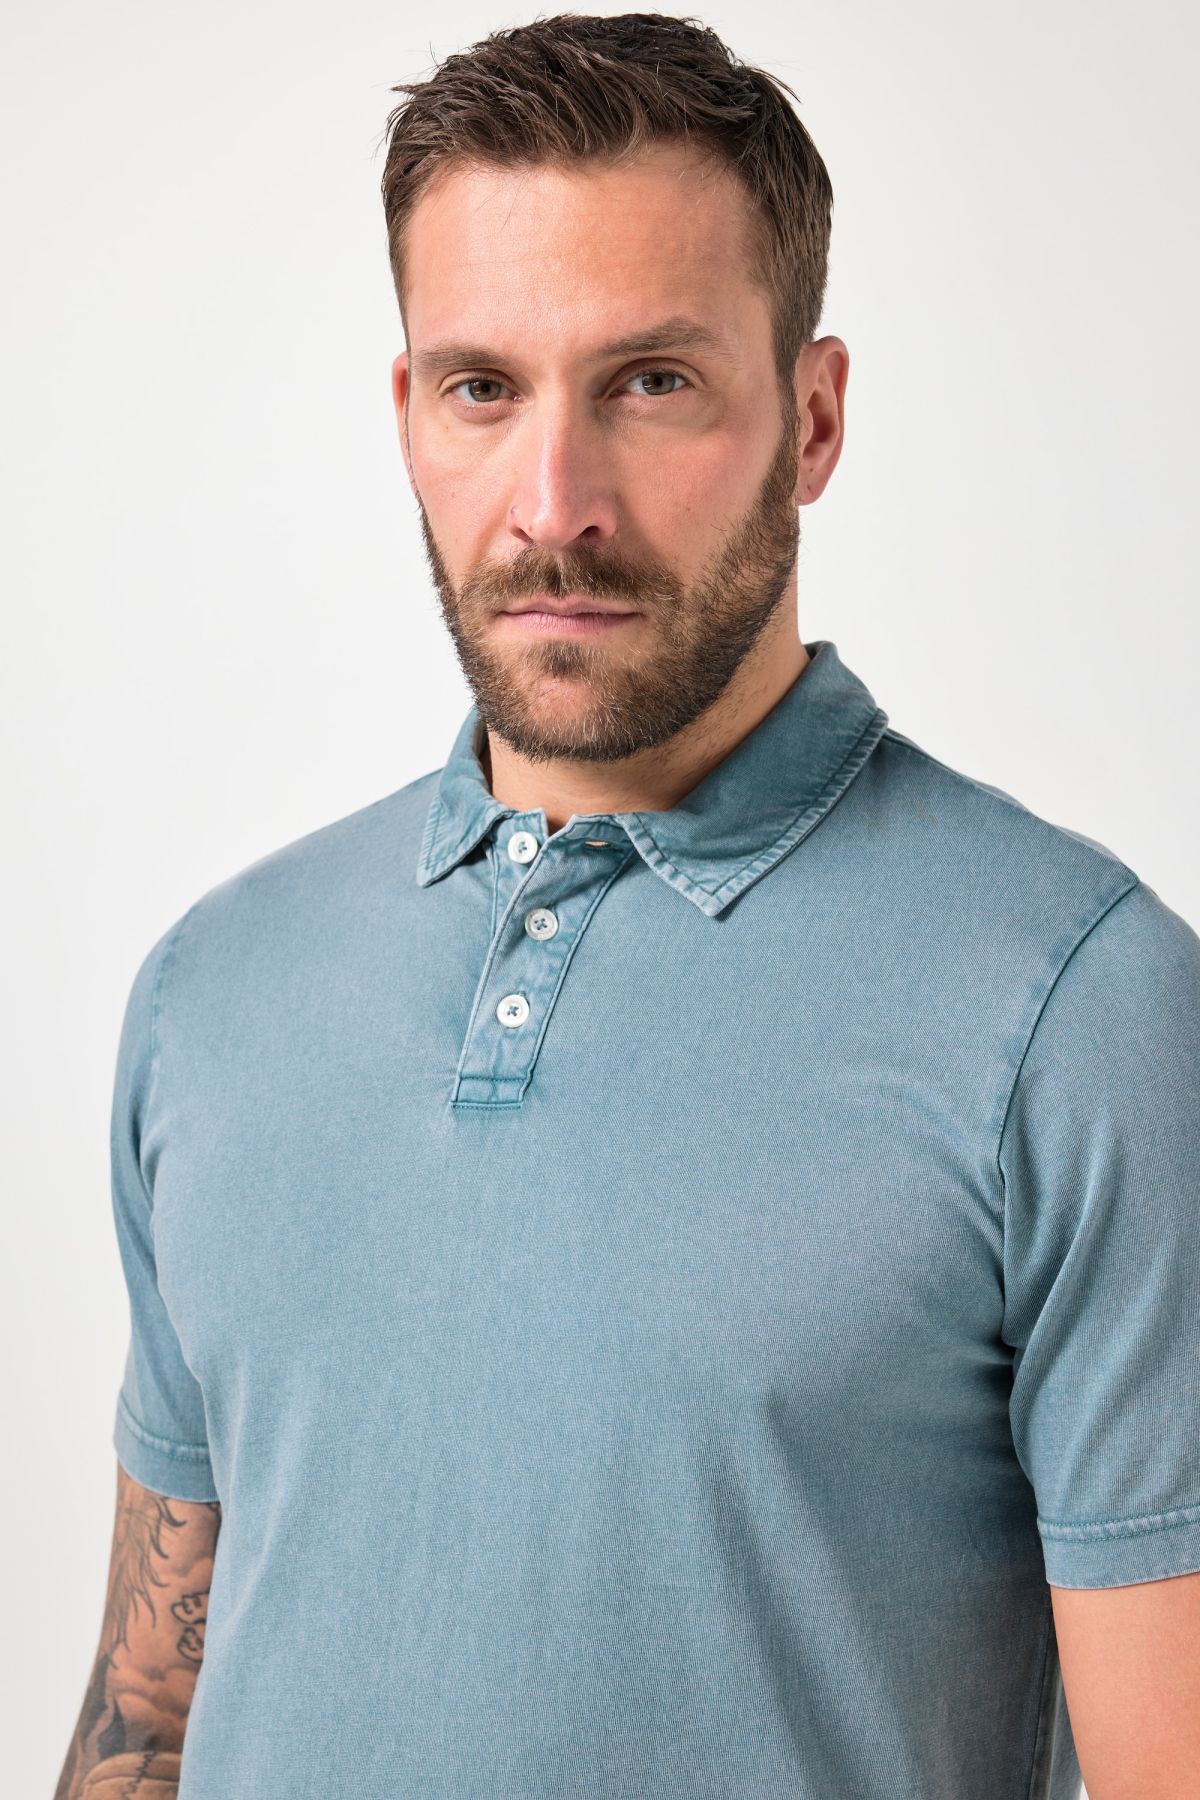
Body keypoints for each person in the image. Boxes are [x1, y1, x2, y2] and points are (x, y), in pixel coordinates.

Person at [58, 13, 1200, 1799]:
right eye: (483, 388)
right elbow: (146, 1712)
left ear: (812, 418)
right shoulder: (216, 989)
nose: (555, 506)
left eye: (651, 382)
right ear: (408, 414)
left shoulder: (1082, 1011)